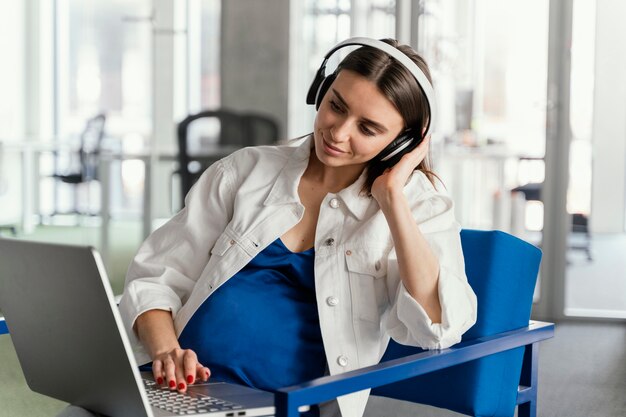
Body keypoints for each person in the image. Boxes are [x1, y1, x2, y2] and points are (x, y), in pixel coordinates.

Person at [60, 37, 477, 417]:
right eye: (336, 105)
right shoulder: (246, 170)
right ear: (321, 91)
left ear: (403, 141)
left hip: (284, 405)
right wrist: (166, 350)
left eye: (368, 129)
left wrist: (392, 200)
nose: (338, 131)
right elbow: (156, 276)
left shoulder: (419, 205)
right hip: (179, 385)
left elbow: (437, 327)